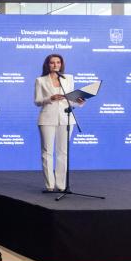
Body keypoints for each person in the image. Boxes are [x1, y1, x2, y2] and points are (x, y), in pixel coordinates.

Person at [34, 54, 83, 192]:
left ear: (61, 64)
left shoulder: (68, 78)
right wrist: (50, 98)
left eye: (58, 62)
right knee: (47, 152)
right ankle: (49, 185)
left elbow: (71, 100)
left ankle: (61, 185)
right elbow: (37, 101)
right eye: (52, 62)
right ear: (47, 64)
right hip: (47, 118)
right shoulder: (40, 80)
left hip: (66, 118)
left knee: (63, 152)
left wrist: (79, 101)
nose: (55, 65)